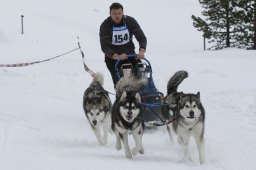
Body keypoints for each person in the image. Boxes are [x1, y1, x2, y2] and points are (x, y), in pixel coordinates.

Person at [99, 2, 147, 86]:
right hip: (112, 58)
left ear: (122, 13)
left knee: (141, 71)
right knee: (120, 84)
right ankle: (121, 96)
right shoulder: (105, 26)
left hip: (130, 55)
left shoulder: (130, 21)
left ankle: (143, 94)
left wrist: (142, 51)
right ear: (110, 13)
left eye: (119, 13)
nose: (117, 16)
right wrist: (116, 56)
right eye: (114, 13)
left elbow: (141, 38)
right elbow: (105, 47)